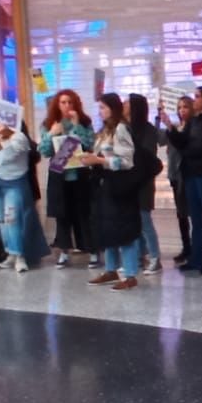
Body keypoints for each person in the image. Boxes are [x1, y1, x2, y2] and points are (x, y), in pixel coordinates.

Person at [163, 85, 202, 274]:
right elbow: (183, 141)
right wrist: (170, 127)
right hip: (190, 173)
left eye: (198, 96)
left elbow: (199, 148)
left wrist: (185, 150)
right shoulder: (194, 122)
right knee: (196, 218)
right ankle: (197, 258)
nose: (195, 99)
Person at [83, 92, 140, 289]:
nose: (100, 112)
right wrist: (89, 158)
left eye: (103, 107)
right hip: (104, 183)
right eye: (99, 108)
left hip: (120, 184)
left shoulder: (121, 129)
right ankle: (111, 269)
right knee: (106, 226)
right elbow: (100, 154)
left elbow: (126, 161)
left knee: (124, 228)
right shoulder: (104, 131)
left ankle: (130, 274)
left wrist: (100, 160)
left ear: (113, 108)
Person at [39, 90, 95, 267]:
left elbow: (89, 144)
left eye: (70, 102)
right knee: (62, 215)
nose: (67, 106)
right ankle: (64, 251)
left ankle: (91, 250)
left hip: (80, 174)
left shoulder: (85, 122)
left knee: (84, 213)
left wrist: (77, 126)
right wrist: (52, 133)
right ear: (57, 104)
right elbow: (44, 150)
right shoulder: (48, 124)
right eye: (63, 102)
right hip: (59, 174)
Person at [0, 108, 36, 273]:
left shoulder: (19, 138)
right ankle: (10, 253)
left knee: (12, 219)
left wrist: (5, 139)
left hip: (14, 184)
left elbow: (10, 155)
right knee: (2, 222)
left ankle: (20, 255)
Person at [127, 93, 164, 274]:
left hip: (144, 181)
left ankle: (155, 257)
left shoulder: (148, 130)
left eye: (127, 103)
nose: (124, 105)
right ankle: (140, 256)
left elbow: (147, 156)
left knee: (144, 220)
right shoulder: (125, 128)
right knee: (134, 220)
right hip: (130, 181)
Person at [160, 95, 194, 266]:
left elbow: (183, 144)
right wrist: (161, 118)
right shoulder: (176, 126)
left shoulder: (191, 128)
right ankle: (186, 247)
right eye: (180, 107)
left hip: (186, 175)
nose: (182, 110)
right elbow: (162, 140)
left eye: (185, 107)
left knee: (189, 212)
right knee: (181, 214)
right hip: (175, 174)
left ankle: (194, 248)